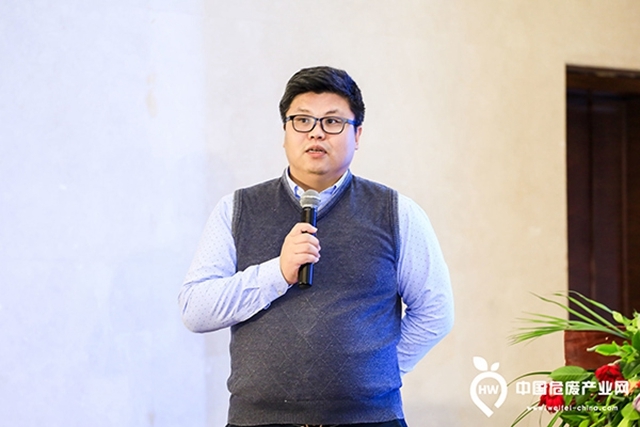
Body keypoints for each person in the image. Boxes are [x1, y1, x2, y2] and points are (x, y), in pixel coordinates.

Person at [178, 66, 454, 427]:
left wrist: (374, 373)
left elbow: (436, 312)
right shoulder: (236, 209)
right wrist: (277, 273)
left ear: (357, 134)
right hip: (258, 420)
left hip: (369, 420)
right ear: (285, 132)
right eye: (303, 120)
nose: (316, 132)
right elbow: (195, 309)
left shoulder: (397, 212)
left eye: (333, 122)